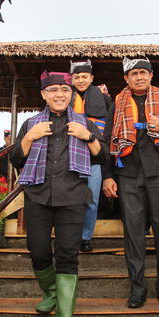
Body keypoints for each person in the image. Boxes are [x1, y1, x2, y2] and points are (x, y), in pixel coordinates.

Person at [10, 70, 108, 317]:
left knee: (68, 256)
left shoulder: (84, 122)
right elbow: (15, 158)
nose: (59, 94)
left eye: (64, 90)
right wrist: (29, 138)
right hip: (38, 196)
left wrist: (88, 136)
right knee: (38, 249)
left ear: (71, 94)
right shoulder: (31, 122)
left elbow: (103, 156)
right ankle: (51, 291)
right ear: (43, 95)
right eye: (52, 90)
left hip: (73, 197)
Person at [102, 57, 159, 308]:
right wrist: (108, 175)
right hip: (128, 173)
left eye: (143, 72)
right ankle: (137, 289)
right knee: (132, 232)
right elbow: (107, 139)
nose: (139, 77)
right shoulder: (116, 103)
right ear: (126, 79)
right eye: (134, 73)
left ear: (151, 75)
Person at [69, 59, 112, 252]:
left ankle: (86, 236)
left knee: (92, 199)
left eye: (84, 77)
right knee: (70, 199)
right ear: (72, 79)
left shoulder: (104, 99)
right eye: (77, 77)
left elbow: (109, 128)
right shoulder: (65, 97)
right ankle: (70, 235)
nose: (80, 80)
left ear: (92, 78)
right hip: (69, 157)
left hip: (95, 158)